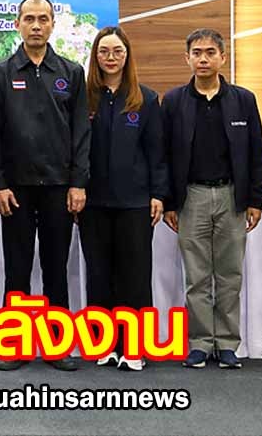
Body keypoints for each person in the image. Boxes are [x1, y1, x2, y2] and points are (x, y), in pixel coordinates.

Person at [0, 0, 90, 372]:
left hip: (59, 187)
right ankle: (13, 344)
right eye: (29, 19)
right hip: (15, 189)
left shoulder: (71, 72)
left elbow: (81, 132)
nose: (36, 26)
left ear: (52, 25)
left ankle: (57, 346)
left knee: (56, 267)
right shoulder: (1, 73)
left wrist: (78, 183)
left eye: (43, 19)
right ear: (18, 24)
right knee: (17, 267)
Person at [161, 28, 262, 369]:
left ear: (222, 57)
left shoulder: (243, 100)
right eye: (197, 53)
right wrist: (170, 202)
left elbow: (256, 152)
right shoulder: (173, 101)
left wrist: (254, 199)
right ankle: (201, 343)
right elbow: (163, 154)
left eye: (210, 53)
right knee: (197, 277)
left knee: (230, 275)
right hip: (191, 197)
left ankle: (228, 344)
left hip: (232, 196)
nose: (203, 59)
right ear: (187, 58)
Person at [80, 27, 166, 372]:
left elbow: (157, 152)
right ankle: (104, 344)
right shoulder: (84, 98)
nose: (111, 58)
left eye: (117, 51)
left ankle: (134, 347)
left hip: (135, 203)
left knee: (135, 276)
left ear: (127, 55)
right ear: (95, 56)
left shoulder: (146, 99)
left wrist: (158, 194)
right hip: (93, 203)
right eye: (104, 52)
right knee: (99, 274)